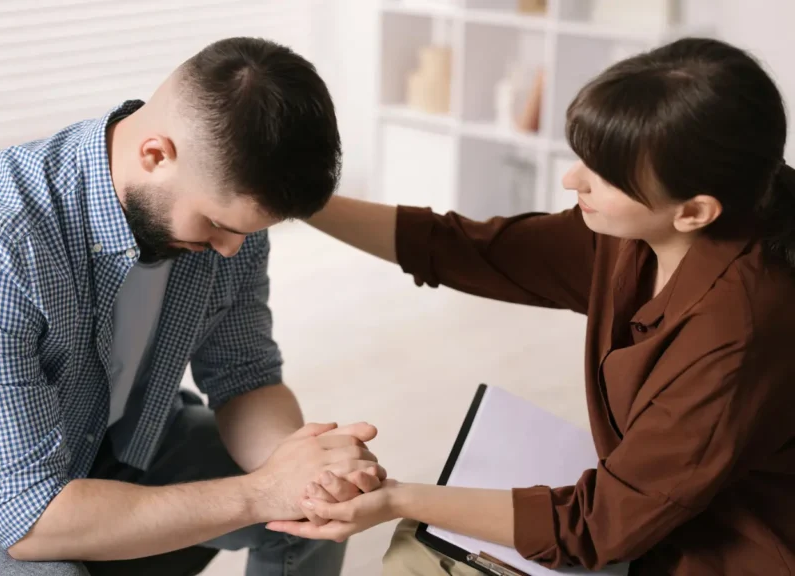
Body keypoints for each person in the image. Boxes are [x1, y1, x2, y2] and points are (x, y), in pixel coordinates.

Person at [0, 37, 386, 576]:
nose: (232, 248)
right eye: (215, 224)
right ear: (156, 154)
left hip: (111, 439)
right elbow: (27, 516)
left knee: (316, 514)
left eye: (246, 231)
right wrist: (262, 492)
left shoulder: (227, 219)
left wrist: (303, 467)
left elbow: (245, 377)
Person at [267, 37, 795, 575]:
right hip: (648, 513)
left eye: (604, 174)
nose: (572, 179)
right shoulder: (639, 232)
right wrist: (298, 199)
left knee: (418, 557)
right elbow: (469, 248)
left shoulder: (740, 328)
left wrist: (397, 499)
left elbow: (597, 528)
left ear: (694, 211)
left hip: (726, 552)